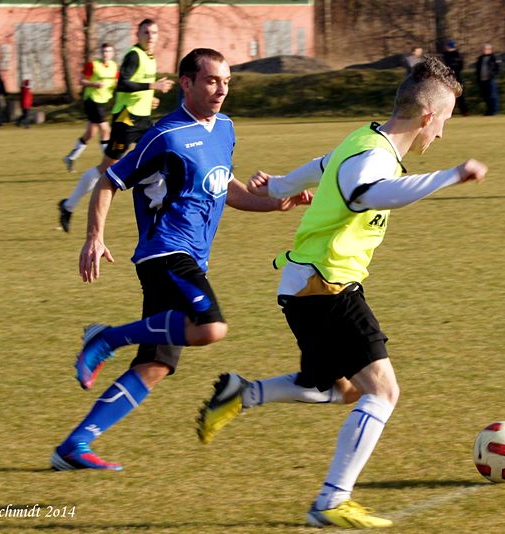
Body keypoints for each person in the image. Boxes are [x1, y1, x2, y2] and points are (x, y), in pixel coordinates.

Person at [195, 56, 488, 528]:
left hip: (311, 284)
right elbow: (367, 194)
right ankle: (332, 500)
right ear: (428, 116)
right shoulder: (374, 156)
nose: (442, 135)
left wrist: (281, 186)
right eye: (446, 122)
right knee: (383, 391)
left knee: (340, 388)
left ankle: (243, 394)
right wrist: (451, 174)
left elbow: (321, 166)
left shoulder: (365, 140)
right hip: (323, 285)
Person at [49, 48, 310, 472]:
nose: (221, 89)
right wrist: (94, 237)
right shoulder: (163, 136)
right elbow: (108, 181)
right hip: (165, 253)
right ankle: (107, 338)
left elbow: (227, 189)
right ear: (186, 83)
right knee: (210, 327)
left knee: (156, 365)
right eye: (211, 80)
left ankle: (74, 445)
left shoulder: (224, 128)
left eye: (226, 81)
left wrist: (279, 203)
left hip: (191, 259)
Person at [58, 19, 174, 233]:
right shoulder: (133, 55)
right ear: (137, 34)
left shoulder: (150, 58)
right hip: (126, 120)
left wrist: (150, 98)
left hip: (143, 120)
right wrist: (152, 86)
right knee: (106, 168)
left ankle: (158, 214)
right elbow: (124, 83)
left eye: (154, 32)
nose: (151, 36)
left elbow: (135, 90)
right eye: (146, 32)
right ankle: (68, 206)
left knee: (161, 159)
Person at [62, 43, 118, 172]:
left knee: (90, 133)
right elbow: (81, 81)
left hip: (104, 101)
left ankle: (70, 157)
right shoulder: (93, 65)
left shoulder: (114, 66)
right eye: (104, 51)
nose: (106, 54)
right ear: (101, 53)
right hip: (92, 100)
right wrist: (94, 84)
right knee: (105, 130)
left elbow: (115, 82)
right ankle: (108, 163)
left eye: (109, 51)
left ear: (112, 53)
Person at [442, 40, 468, 116]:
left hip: (456, 77)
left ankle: (464, 111)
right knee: (448, 96)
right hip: (448, 77)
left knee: (460, 95)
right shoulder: (445, 55)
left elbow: (460, 66)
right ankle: (449, 112)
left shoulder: (457, 55)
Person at [476, 43, 502, 116]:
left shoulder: (494, 58)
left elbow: (498, 68)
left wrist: (494, 75)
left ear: (490, 50)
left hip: (491, 80)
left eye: (486, 49)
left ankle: (495, 111)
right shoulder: (480, 58)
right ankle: (488, 111)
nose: (484, 50)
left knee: (493, 96)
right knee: (486, 96)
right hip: (482, 80)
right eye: (483, 49)